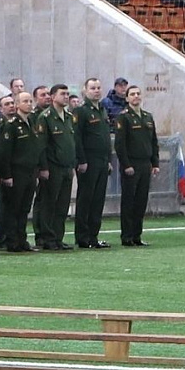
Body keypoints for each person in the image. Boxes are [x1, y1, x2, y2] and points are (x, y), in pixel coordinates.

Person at [32, 83, 77, 250]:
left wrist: (73, 163)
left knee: (62, 204)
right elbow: (41, 145)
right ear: (53, 97)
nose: (66, 96)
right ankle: (47, 237)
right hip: (53, 166)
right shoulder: (46, 117)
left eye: (67, 94)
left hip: (66, 166)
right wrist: (43, 168)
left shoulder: (69, 116)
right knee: (49, 203)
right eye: (62, 94)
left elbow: (71, 143)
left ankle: (58, 237)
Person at [113, 85, 159, 246]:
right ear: (127, 98)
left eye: (138, 93)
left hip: (145, 164)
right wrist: (126, 164)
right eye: (132, 94)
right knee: (129, 202)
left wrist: (155, 163)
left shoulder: (147, 116)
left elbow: (153, 141)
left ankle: (137, 235)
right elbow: (120, 144)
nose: (136, 96)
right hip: (131, 164)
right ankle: (126, 236)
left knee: (141, 201)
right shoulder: (123, 117)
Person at [71, 78, 113, 249]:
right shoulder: (81, 111)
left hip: (102, 161)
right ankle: (83, 237)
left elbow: (105, 137)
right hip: (89, 161)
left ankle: (93, 236)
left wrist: (109, 161)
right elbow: (77, 137)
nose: (96, 91)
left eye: (98, 88)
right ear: (85, 90)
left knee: (98, 200)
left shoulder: (102, 109)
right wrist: (81, 161)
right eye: (92, 88)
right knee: (86, 199)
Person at [0, 91, 38, 252]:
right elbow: (4, 153)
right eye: (25, 101)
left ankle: (22, 240)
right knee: (13, 208)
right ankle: (12, 241)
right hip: (16, 172)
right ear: (18, 104)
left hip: (30, 172)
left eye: (30, 101)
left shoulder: (32, 122)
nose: (29, 104)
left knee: (24, 208)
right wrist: (6, 175)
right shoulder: (11, 125)